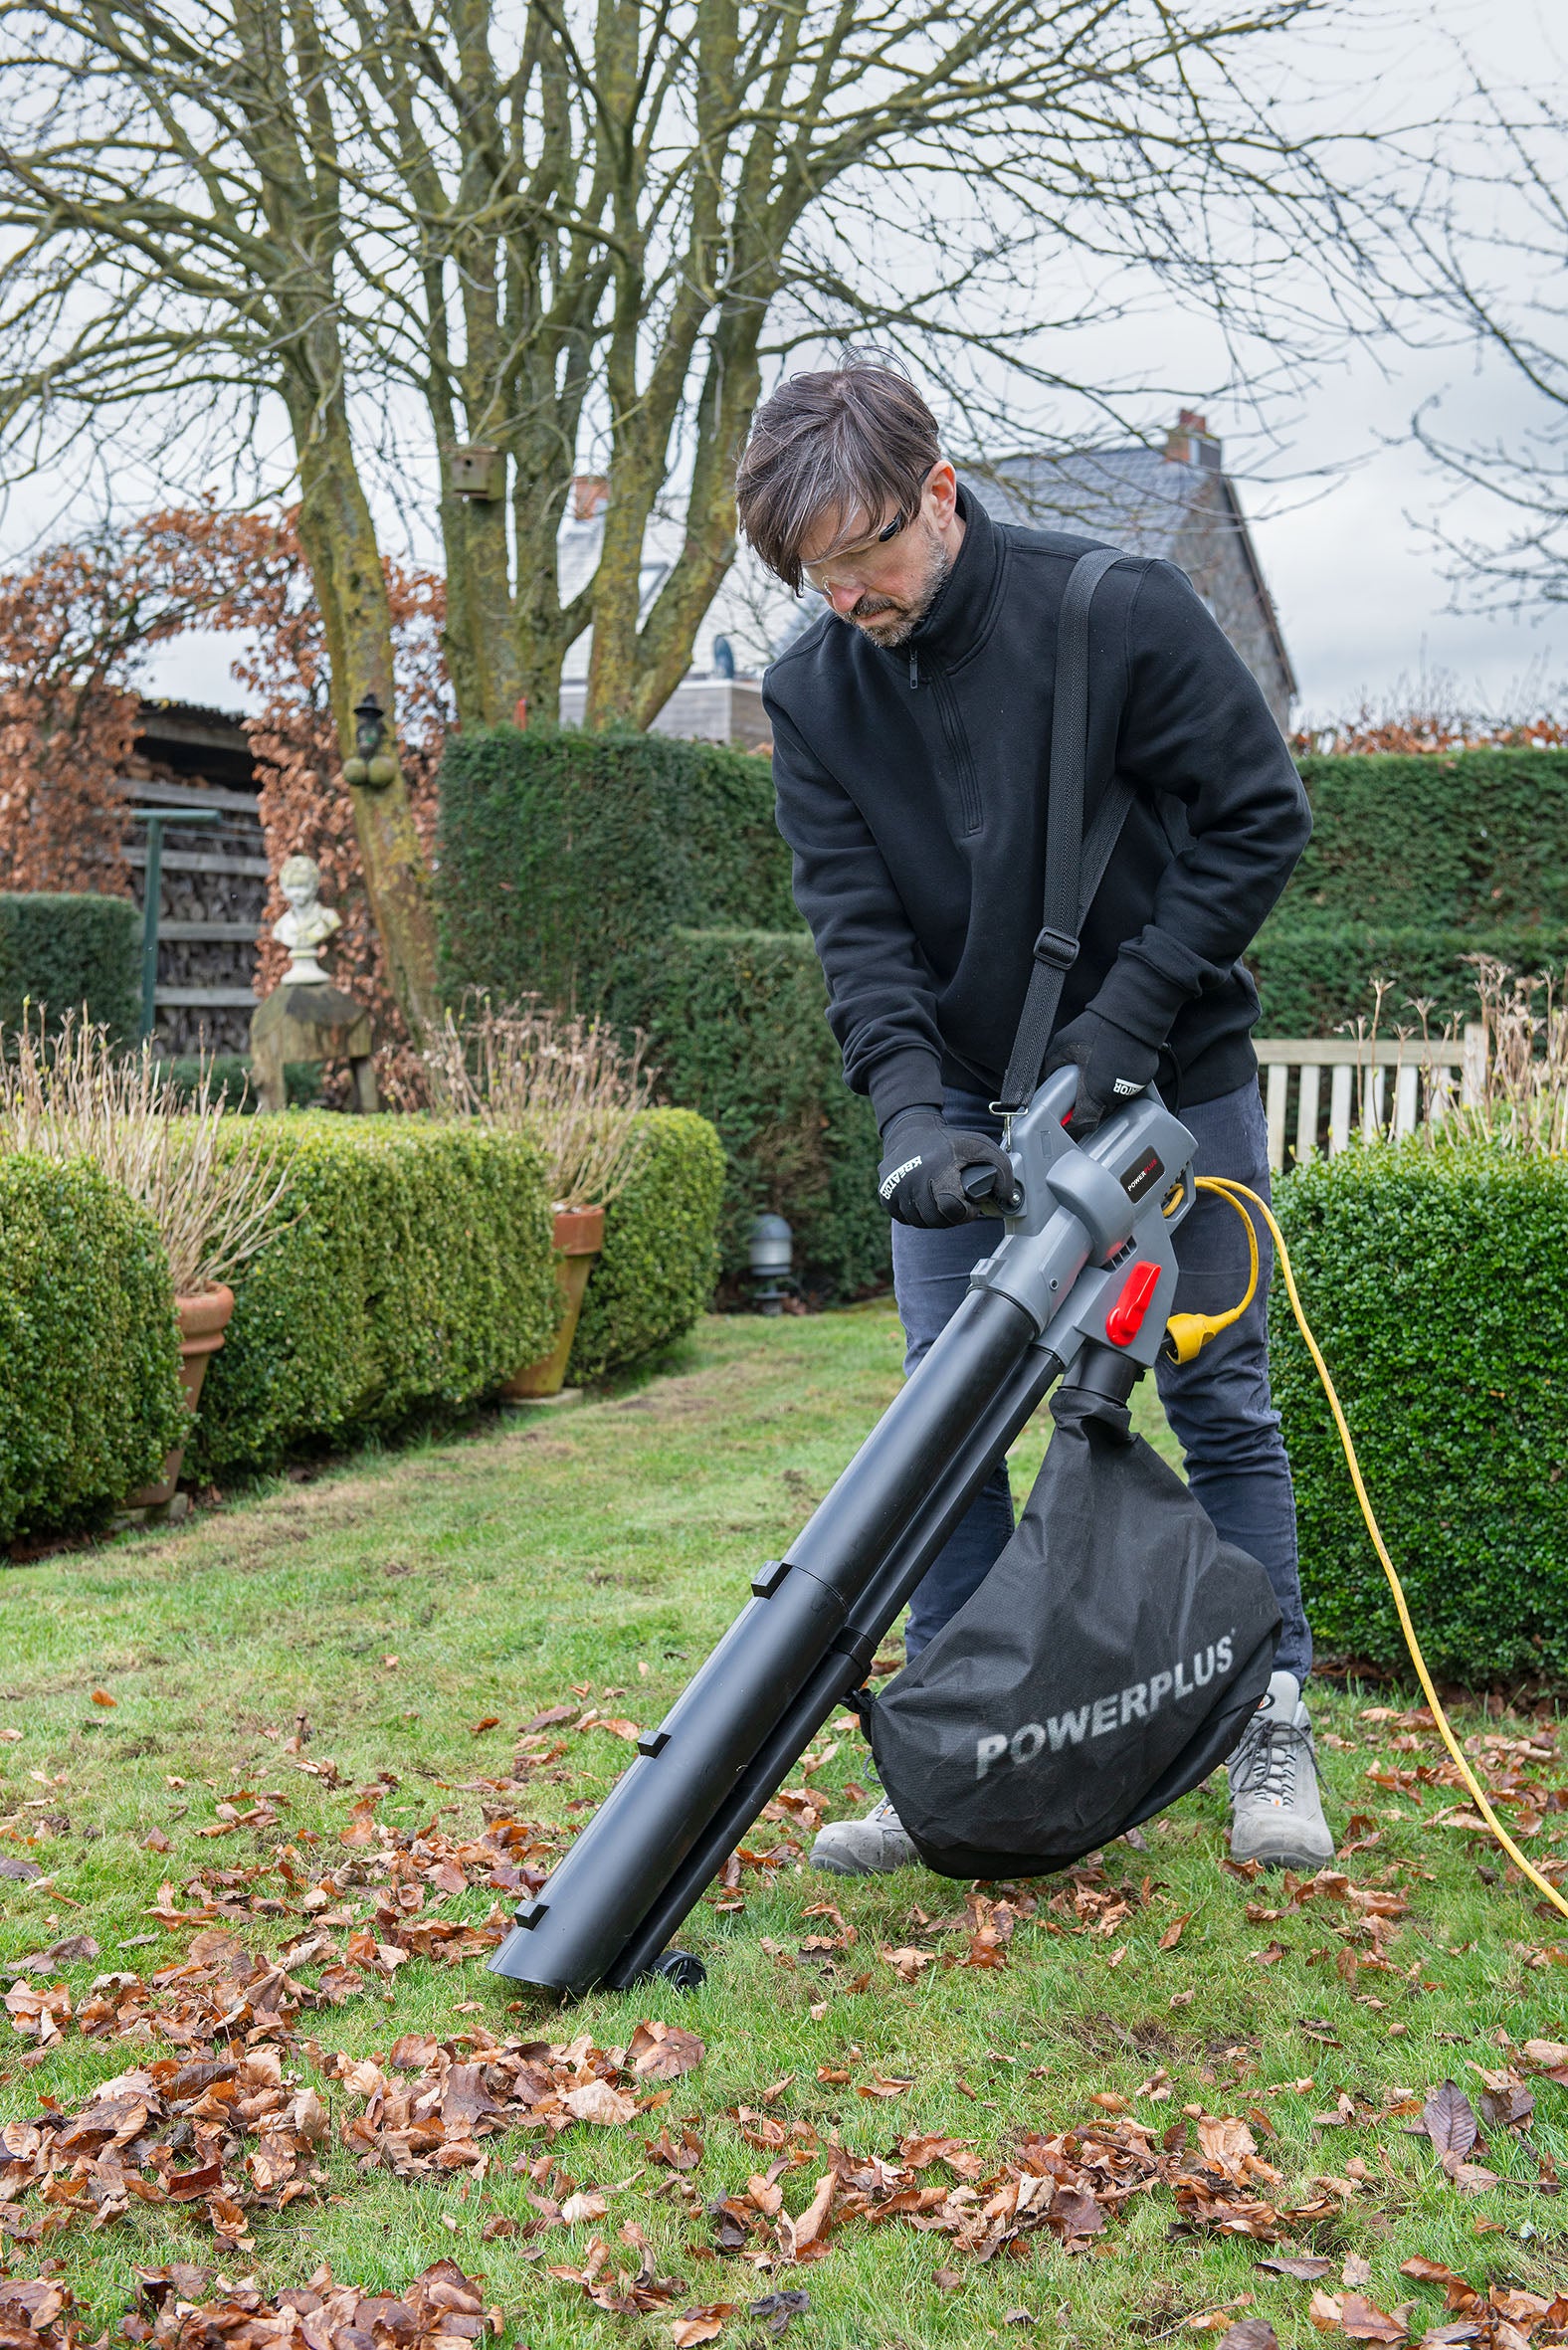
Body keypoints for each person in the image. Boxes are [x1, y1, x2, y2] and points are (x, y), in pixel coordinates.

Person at [736, 358, 1333, 1875]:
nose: (850, 593)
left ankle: (1272, 1720)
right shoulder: (812, 693)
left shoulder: (1111, 612)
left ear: (939, 494)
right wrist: (908, 1119)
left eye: (868, 550)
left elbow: (1262, 812)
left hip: (1168, 1091)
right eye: (819, 573)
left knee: (1216, 1395)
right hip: (977, 1125)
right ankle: (968, 1756)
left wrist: (1126, 1024)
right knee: (946, 1428)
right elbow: (856, 929)